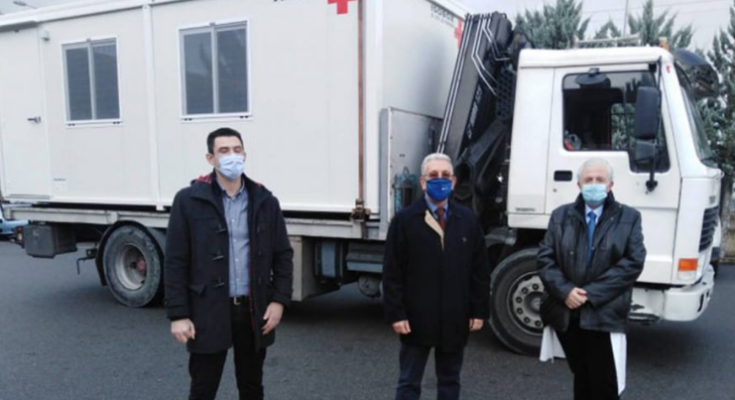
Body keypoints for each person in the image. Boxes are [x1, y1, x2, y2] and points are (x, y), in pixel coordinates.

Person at [164, 127, 293, 400]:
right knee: (203, 388)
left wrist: (279, 301)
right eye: (224, 151)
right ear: (210, 158)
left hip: (252, 310)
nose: (232, 156)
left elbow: (283, 255)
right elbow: (175, 261)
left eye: (237, 150)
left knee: (251, 386)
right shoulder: (188, 200)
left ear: (244, 154)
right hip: (207, 309)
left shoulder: (265, 200)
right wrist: (178, 314)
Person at [382, 152, 491, 400]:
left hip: (455, 318)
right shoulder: (405, 221)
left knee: (450, 381)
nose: (440, 180)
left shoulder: (468, 220)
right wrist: (396, 313)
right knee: (409, 383)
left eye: (445, 175)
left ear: (453, 181)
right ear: (423, 182)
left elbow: (479, 271)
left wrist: (478, 310)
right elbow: (392, 272)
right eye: (433, 175)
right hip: (416, 318)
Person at [538, 158, 646, 400]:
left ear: (610, 185)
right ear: (579, 185)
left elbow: (633, 262)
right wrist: (565, 291)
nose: (594, 184)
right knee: (582, 377)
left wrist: (590, 294)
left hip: (604, 314)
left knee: (605, 385)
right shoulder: (560, 216)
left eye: (600, 179)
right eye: (588, 180)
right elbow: (545, 258)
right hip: (567, 313)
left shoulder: (629, 217)